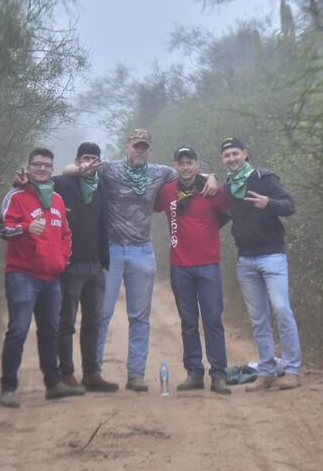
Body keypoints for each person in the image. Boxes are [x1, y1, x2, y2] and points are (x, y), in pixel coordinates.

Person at [65, 129, 219, 392]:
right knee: (102, 314)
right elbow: (69, 170)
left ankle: (135, 375)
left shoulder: (160, 172)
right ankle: (94, 372)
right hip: (111, 249)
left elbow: (188, 174)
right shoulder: (110, 170)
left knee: (140, 316)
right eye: (136, 146)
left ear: (150, 149)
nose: (140, 150)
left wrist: (212, 177)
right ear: (127, 146)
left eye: (144, 147)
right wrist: (81, 168)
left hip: (142, 250)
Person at [0, 148, 85, 408]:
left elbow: (66, 233)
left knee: (50, 331)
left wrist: (63, 257)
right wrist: (25, 227)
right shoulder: (16, 196)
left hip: (51, 277)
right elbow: (3, 229)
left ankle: (53, 383)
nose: (43, 169)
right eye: (37, 165)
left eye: (47, 165)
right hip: (22, 275)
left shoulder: (56, 199)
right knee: (18, 330)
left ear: (52, 168)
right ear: (29, 167)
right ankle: (8, 387)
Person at [220, 137, 302, 391]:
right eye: (227, 155)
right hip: (245, 259)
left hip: (272, 256)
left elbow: (290, 206)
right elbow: (222, 218)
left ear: (245, 153)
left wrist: (269, 204)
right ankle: (266, 371)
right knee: (258, 319)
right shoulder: (227, 188)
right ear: (223, 160)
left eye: (235, 153)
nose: (232, 158)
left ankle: (292, 370)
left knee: (281, 309)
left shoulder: (264, 178)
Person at [154, 146, 231, 395]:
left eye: (190, 162)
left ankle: (219, 374)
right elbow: (148, 202)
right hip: (180, 266)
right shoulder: (166, 192)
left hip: (208, 264)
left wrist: (212, 178)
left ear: (198, 165)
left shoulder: (211, 190)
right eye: (181, 162)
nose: (186, 166)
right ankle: (194, 372)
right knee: (188, 322)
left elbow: (228, 212)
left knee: (212, 320)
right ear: (174, 165)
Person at [53, 142, 119, 392]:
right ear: (77, 160)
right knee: (66, 321)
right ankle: (66, 374)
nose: (90, 162)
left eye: (94, 158)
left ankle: (91, 373)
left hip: (96, 265)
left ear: (99, 162)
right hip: (70, 265)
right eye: (85, 158)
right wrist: (76, 170)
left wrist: (104, 261)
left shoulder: (100, 187)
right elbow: (61, 173)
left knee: (93, 321)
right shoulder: (63, 185)